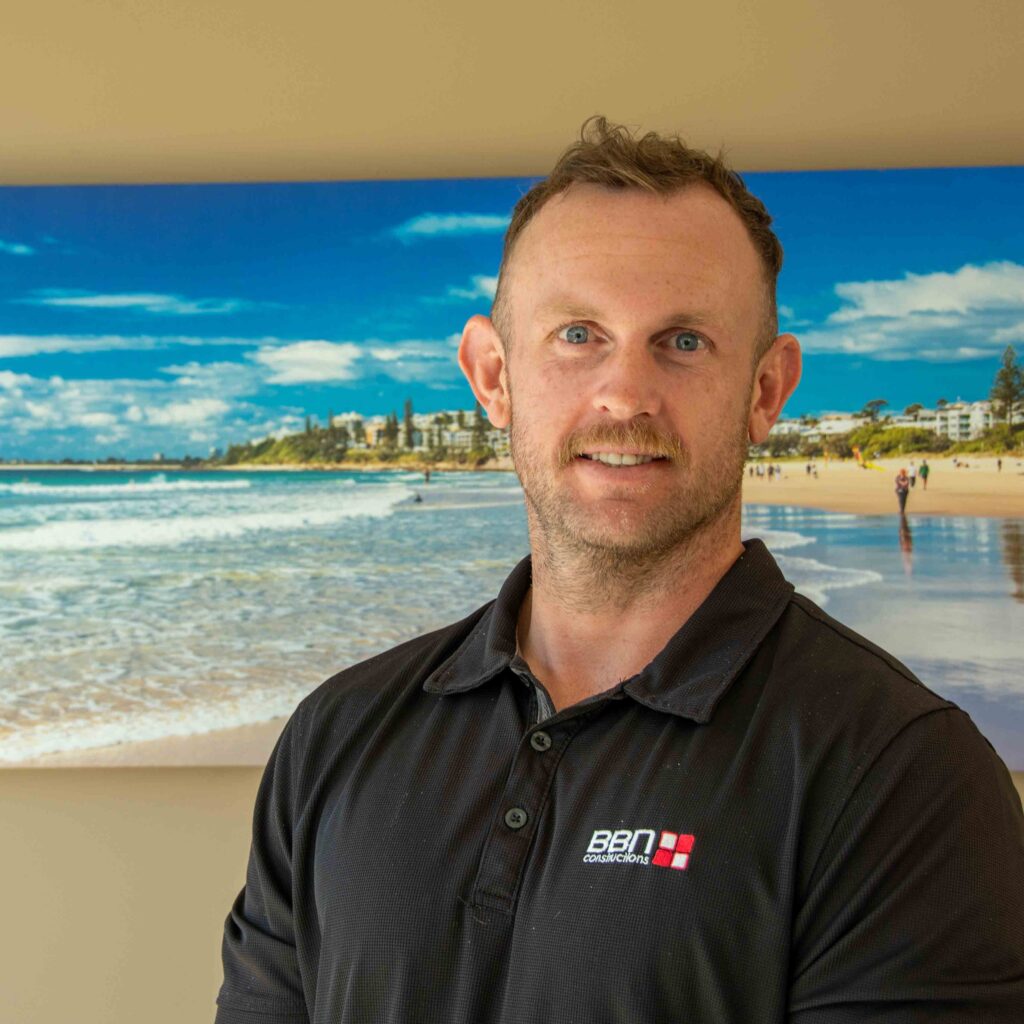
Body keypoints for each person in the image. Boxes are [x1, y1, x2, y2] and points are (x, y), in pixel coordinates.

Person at [216, 118, 1024, 1023]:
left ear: (765, 391)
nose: (625, 394)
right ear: (493, 375)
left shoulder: (900, 773)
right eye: (576, 334)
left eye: (682, 341)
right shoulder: (337, 735)